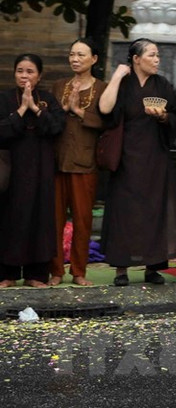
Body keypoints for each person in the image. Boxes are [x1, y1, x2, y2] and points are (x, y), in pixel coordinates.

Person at [98, 39, 176, 286]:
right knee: (123, 212)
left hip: (155, 158)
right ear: (136, 59)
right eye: (152, 55)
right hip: (126, 158)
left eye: (158, 55)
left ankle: (153, 267)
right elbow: (104, 109)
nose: (157, 60)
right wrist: (116, 76)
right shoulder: (124, 84)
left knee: (155, 210)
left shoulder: (162, 85)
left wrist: (164, 116)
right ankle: (121, 268)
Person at [0, 54, 65, 287]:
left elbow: (57, 127)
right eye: (20, 71)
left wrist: (36, 109)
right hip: (12, 168)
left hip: (40, 168)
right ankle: (7, 274)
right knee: (9, 219)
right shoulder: (4, 98)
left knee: (40, 219)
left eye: (30, 71)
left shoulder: (47, 99)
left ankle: (36, 275)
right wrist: (20, 110)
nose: (24, 76)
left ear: (39, 75)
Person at [50, 39, 106, 286]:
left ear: (94, 59)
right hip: (58, 161)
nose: (75, 59)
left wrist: (79, 110)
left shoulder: (102, 88)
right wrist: (64, 109)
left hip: (85, 163)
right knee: (55, 221)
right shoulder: (59, 86)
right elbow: (49, 121)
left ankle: (79, 271)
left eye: (81, 55)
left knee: (83, 221)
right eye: (72, 54)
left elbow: (107, 122)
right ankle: (55, 271)